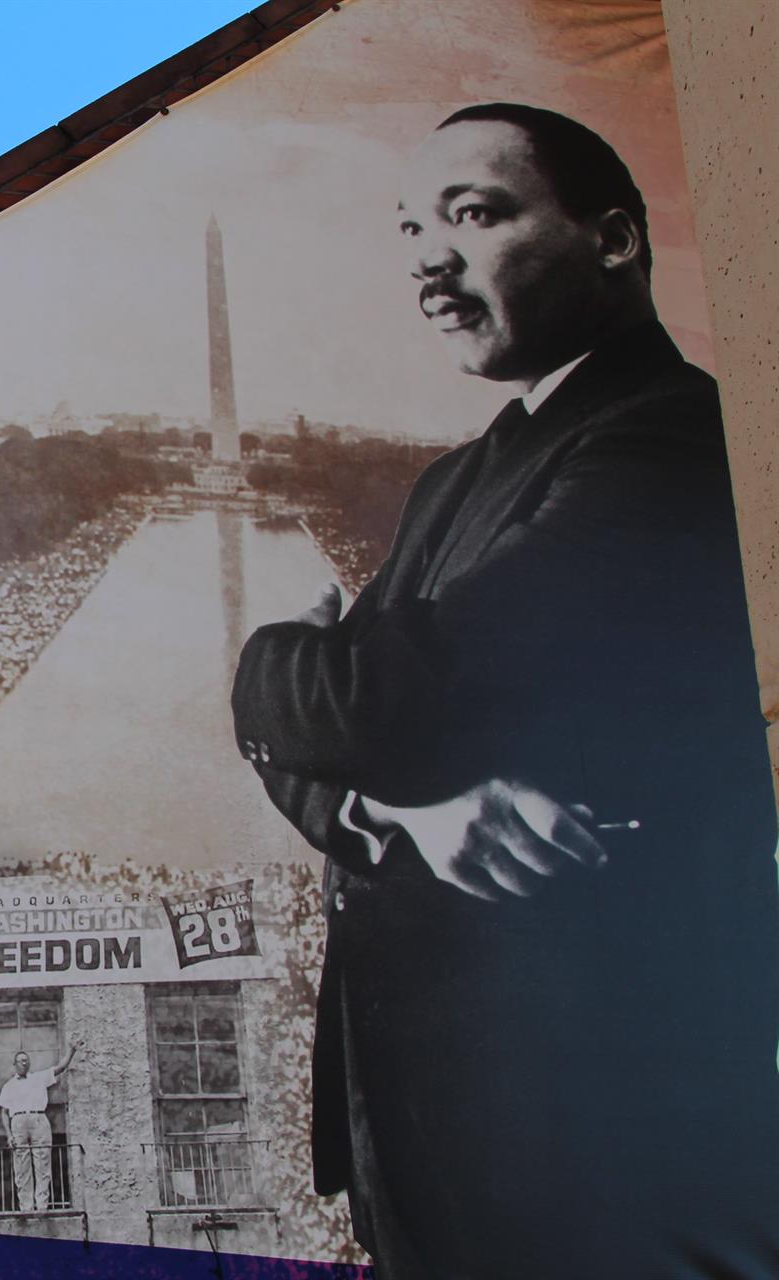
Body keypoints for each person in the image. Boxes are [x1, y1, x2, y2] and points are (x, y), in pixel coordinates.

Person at [230, 103, 779, 1278]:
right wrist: (405, 811)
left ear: (614, 239)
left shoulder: (674, 439)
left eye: (473, 215)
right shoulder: (455, 480)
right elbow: (328, 745)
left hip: (588, 1137)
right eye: (410, 228)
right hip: (424, 1131)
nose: (428, 261)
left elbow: (369, 705)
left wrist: (265, 658)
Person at [0, 1041, 81, 1212]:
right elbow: (4, 1112)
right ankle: (26, 1208)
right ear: (14, 1064)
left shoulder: (38, 1078)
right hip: (18, 1121)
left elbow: (60, 1068)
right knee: (22, 1166)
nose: (24, 1063)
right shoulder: (9, 1086)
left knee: (42, 1162)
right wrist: (9, 1135)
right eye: (20, 1060)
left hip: (38, 1119)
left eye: (26, 1060)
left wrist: (71, 1051)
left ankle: (42, 1206)